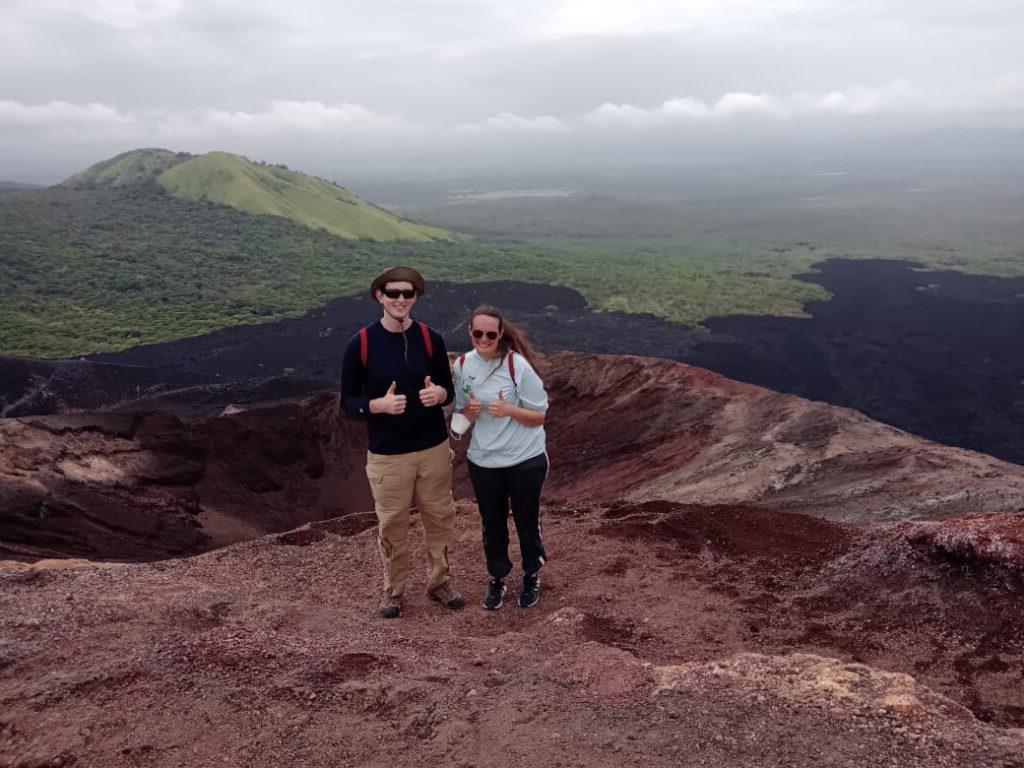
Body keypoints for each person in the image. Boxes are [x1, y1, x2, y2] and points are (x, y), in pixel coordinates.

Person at [340, 266, 465, 619]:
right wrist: (376, 406)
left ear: (415, 298)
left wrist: (440, 393)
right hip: (388, 453)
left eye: (407, 294)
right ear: (379, 296)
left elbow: (448, 390)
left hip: (433, 448)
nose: (400, 299)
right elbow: (347, 400)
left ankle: (439, 582)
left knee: (439, 516)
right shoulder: (360, 344)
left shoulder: (432, 339)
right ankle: (393, 588)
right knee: (392, 522)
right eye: (392, 293)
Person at [453, 305, 549, 610]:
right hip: (484, 461)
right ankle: (497, 576)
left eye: (490, 334)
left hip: (524, 459)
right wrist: (466, 414)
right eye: (477, 333)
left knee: (525, 519)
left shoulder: (515, 366)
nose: (484, 339)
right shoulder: (462, 366)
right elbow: (460, 418)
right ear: (470, 332)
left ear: (500, 335)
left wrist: (509, 410)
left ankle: (531, 573)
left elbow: (538, 416)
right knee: (492, 522)